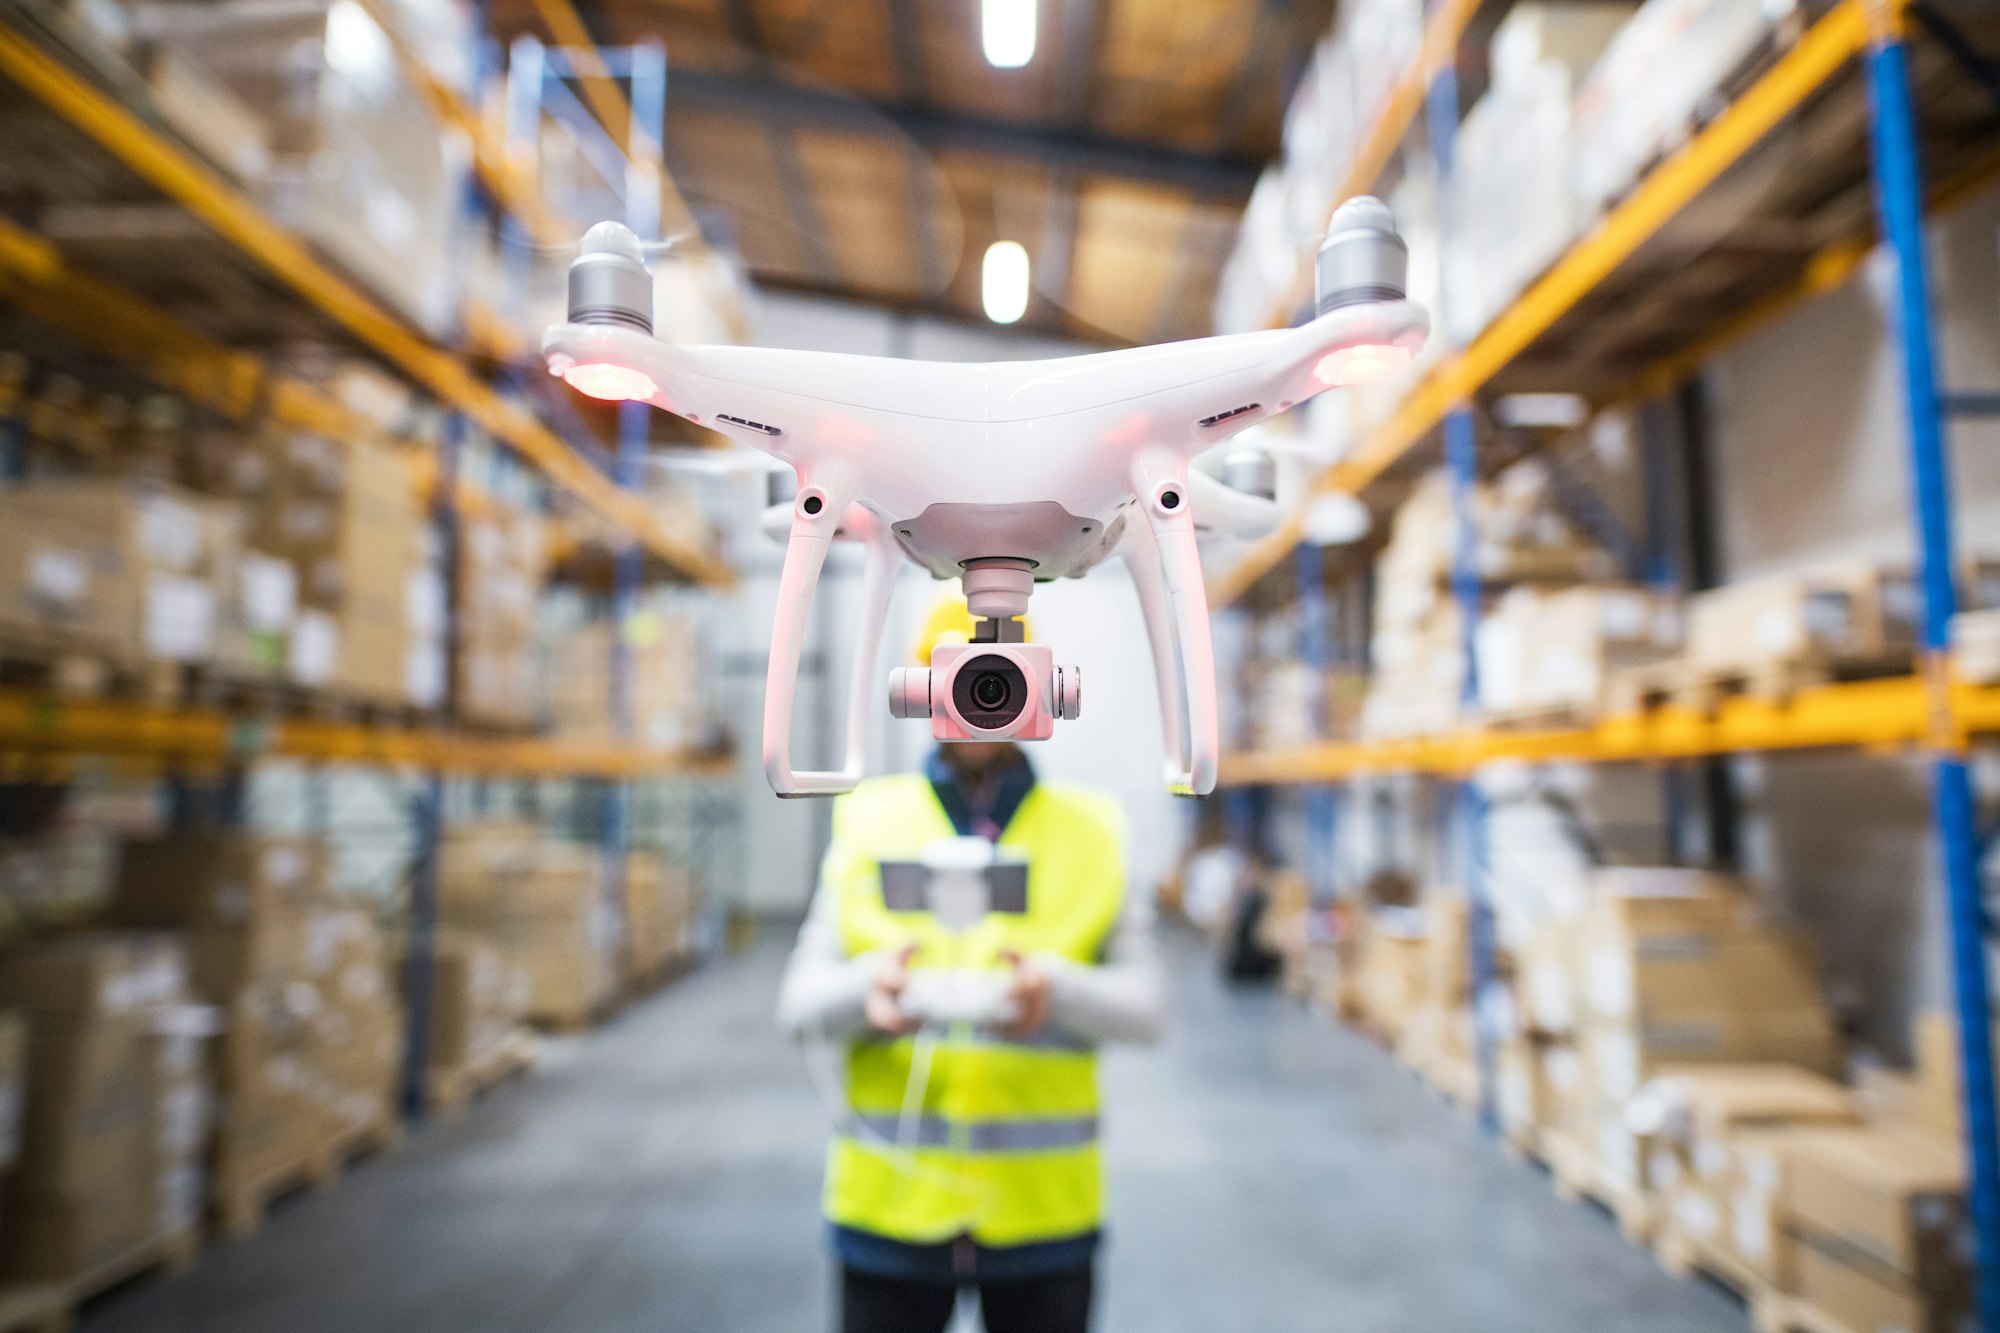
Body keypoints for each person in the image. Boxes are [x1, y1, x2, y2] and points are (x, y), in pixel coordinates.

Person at [777, 599, 1166, 1333]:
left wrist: (1057, 989)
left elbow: (1147, 1009)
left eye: (1002, 679)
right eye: (956, 678)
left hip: (1042, 1216)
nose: (981, 700)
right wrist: (870, 990)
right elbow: (797, 1002)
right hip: (889, 1211)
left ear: (1046, 688)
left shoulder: (1094, 829)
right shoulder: (868, 818)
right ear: (918, 689)